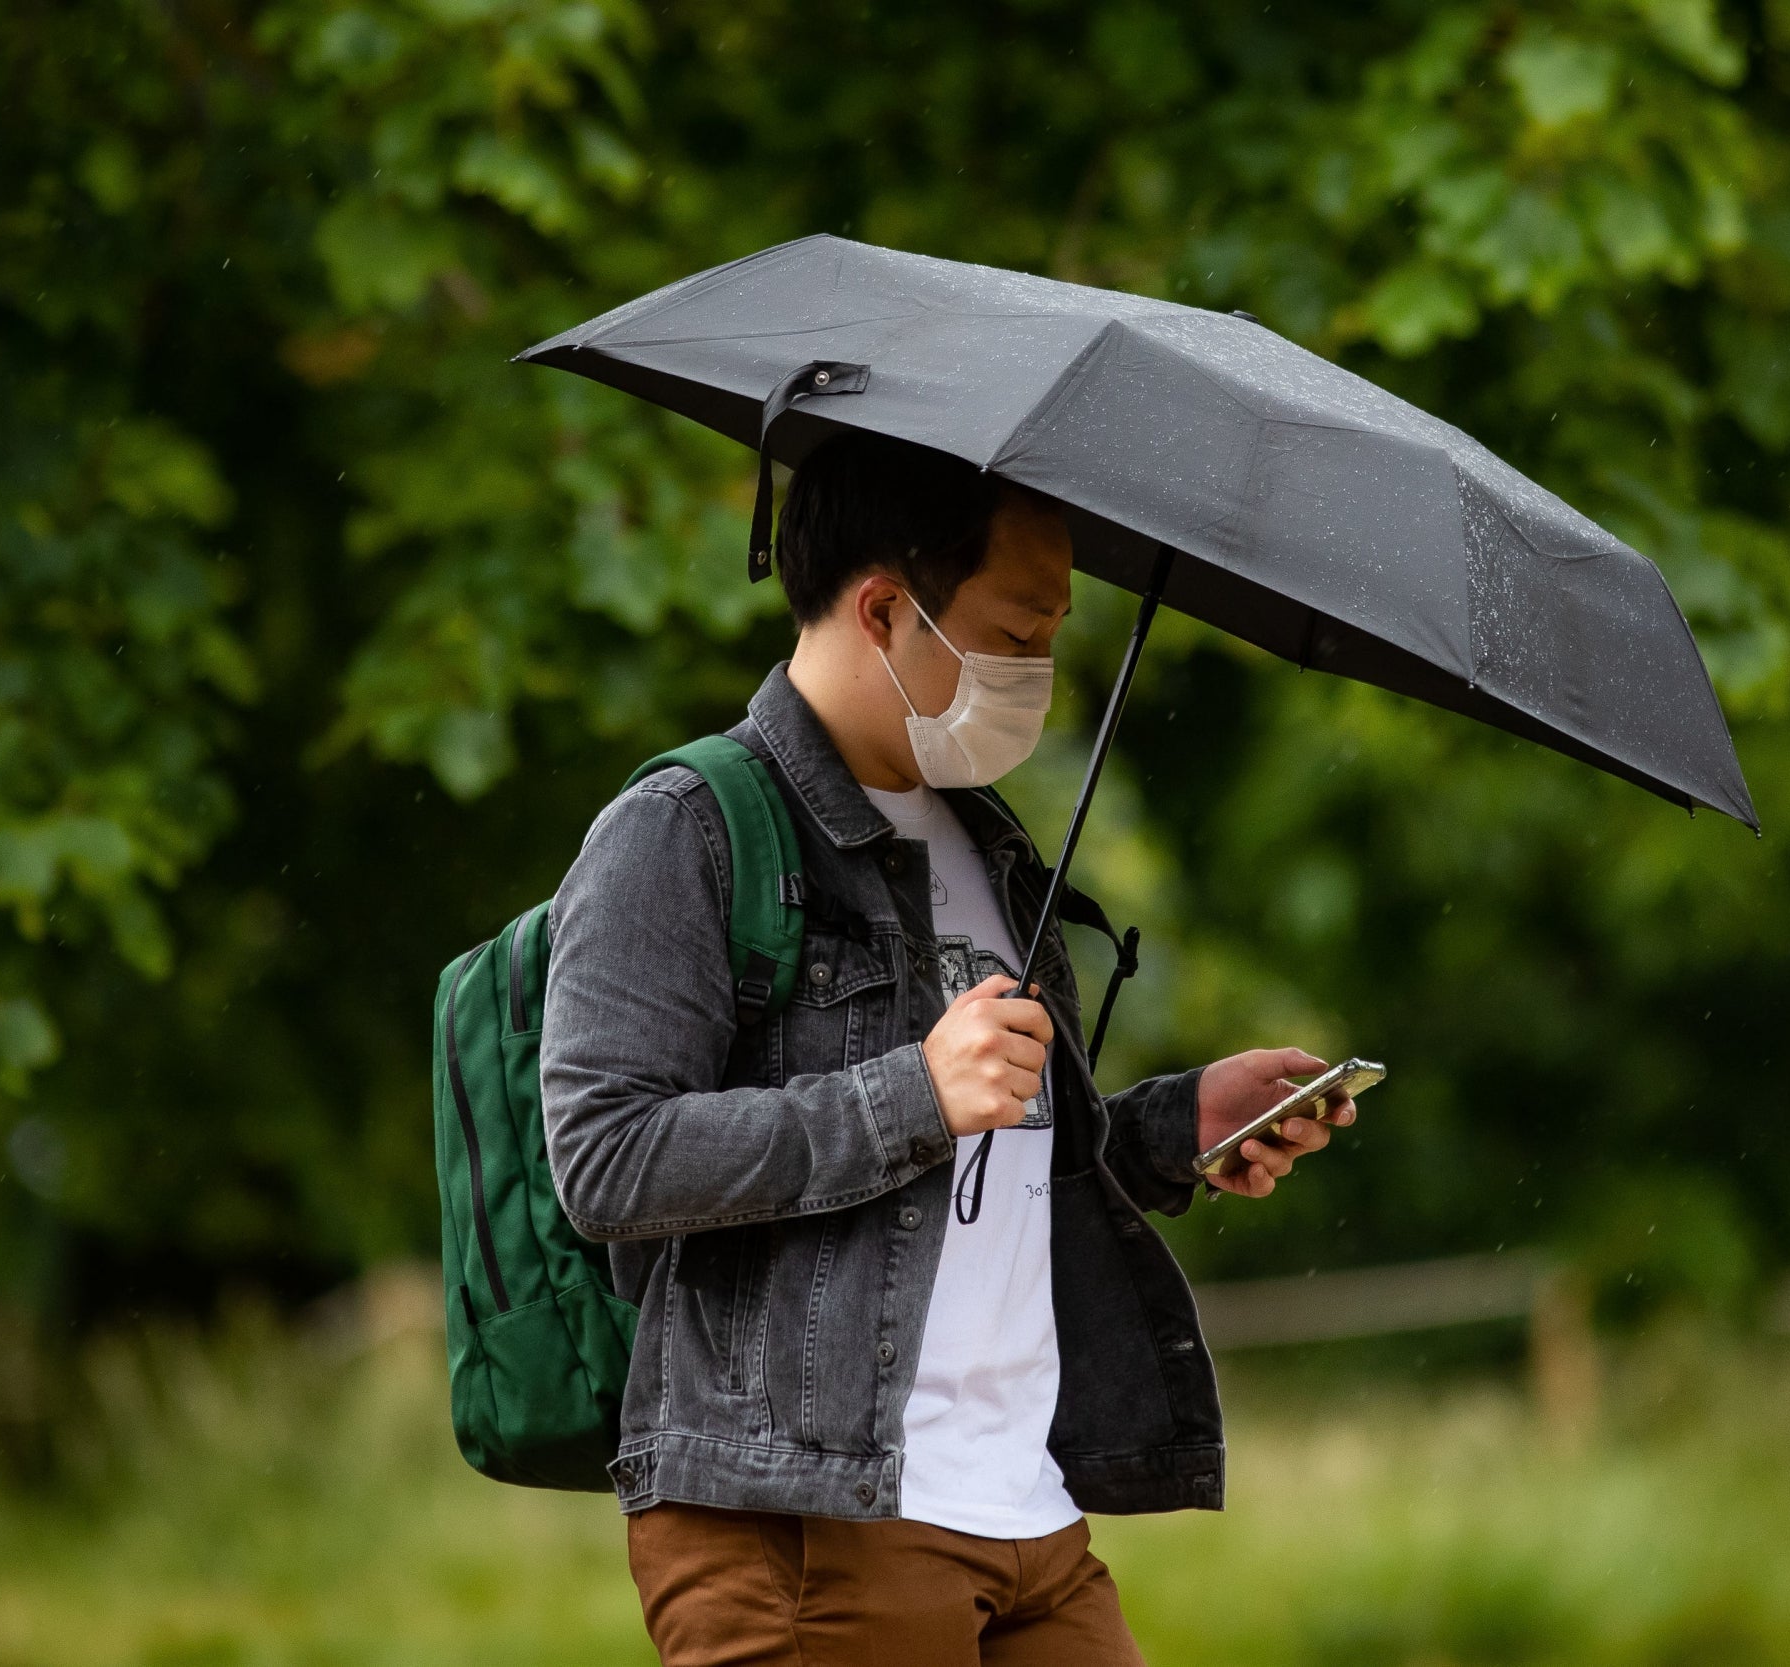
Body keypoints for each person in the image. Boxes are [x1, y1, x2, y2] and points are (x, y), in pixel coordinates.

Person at [541, 431, 1352, 1666]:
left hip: (1027, 1509)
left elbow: (1000, 1166)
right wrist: (909, 1090)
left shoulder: (990, 839)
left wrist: (1171, 1128)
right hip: (808, 1518)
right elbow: (605, 1160)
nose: (1039, 668)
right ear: (882, 607)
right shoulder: (685, 829)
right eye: (1017, 634)